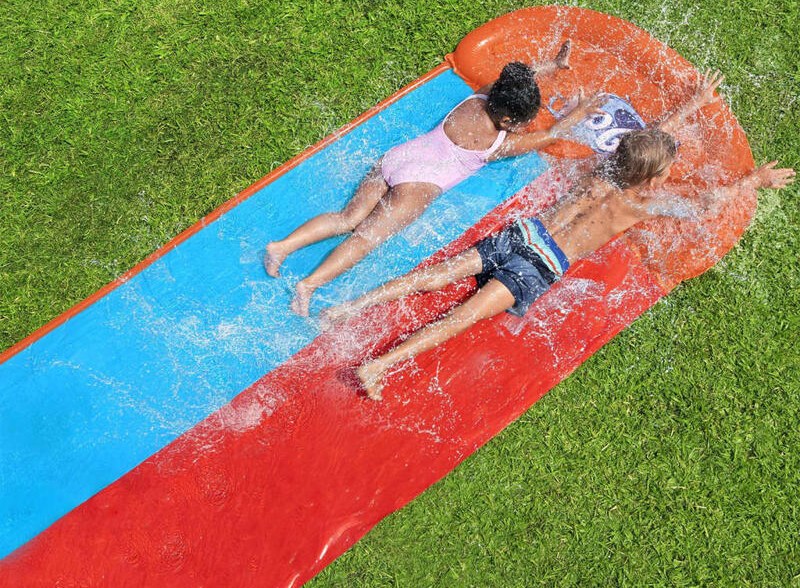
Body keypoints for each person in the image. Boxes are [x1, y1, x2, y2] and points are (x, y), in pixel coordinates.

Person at [320, 70, 794, 400]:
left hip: (525, 232)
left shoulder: (606, 169)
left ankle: (344, 307)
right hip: (540, 266)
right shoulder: (644, 204)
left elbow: (645, 140)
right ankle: (377, 365)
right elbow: (704, 205)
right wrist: (752, 181)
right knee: (461, 317)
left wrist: (690, 104)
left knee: (434, 276)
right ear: (653, 180)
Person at [266, 40, 604, 316]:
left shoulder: (484, 94)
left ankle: (283, 246)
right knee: (364, 239)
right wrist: (581, 112)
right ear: (505, 121)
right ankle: (308, 286)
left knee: (347, 218)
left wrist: (551, 66)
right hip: (415, 189)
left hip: (397, 159)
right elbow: (551, 134)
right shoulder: (498, 143)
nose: (526, 127)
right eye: (522, 122)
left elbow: (518, 80)